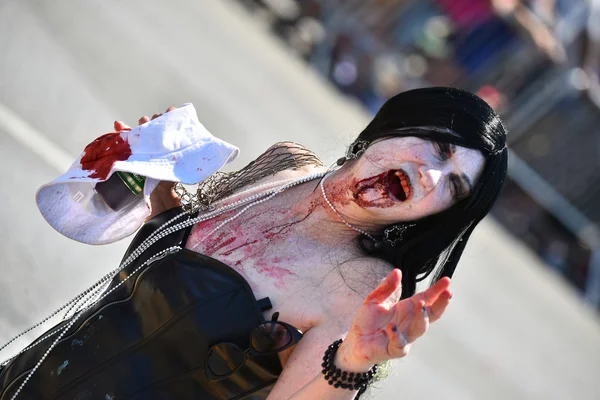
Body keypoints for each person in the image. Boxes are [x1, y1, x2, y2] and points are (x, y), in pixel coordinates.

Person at [0, 87, 507, 399]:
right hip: (24, 378)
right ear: (397, 125)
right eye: (439, 147)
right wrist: (153, 169)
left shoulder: (363, 290)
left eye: (454, 187)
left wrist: (351, 364)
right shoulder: (285, 167)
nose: (433, 175)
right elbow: (175, 263)